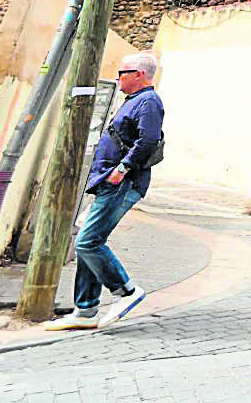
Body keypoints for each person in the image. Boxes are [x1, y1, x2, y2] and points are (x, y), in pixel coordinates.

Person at [44, 51, 165, 330]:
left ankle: (126, 291)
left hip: (121, 183)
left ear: (139, 75)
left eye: (122, 73)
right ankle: (85, 311)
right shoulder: (134, 101)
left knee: (88, 242)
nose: (118, 78)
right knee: (88, 242)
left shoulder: (149, 101)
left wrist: (122, 169)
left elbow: (148, 140)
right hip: (109, 183)